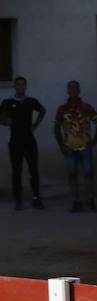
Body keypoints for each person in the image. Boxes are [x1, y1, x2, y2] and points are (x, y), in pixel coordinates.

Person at [53, 81, 97, 213]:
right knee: (72, 174)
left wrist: (94, 140)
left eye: (75, 88)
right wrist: (61, 145)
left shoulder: (87, 107)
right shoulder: (62, 109)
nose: (73, 90)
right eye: (70, 88)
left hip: (85, 146)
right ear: (67, 91)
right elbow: (56, 128)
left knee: (88, 173)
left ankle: (90, 199)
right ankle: (76, 201)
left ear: (79, 90)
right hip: (69, 147)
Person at [1, 77, 45, 210]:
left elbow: (42, 110)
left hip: (29, 140)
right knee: (17, 171)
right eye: (18, 85)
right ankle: (18, 200)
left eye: (22, 85)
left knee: (34, 170)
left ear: (25, 87)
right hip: (15, 141)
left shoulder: (31, 101)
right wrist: (4, 121)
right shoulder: (8, 102)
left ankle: (36, 198)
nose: (20, 87)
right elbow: (1, 116)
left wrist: (36, 124)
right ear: (15, 87)